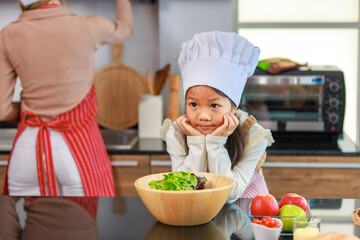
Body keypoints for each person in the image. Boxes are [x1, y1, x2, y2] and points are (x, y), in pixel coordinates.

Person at [0, 0, 134, 196]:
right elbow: (126, 27)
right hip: (75, 152)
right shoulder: (87, 26)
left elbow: (2, 110)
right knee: (78, 224)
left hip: (26, 153)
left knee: (23, 223)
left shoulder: (7, 35)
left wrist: (37, 110)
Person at [160, 31, 274, 203]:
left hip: (243, 214)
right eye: (193, 104)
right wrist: (196, 142)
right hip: (199, 210)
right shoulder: (175, 132)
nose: (203, 116)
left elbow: (229, 195)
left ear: (233, 107)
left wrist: (215, 142)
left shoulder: (254, 136)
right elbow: (184, 189)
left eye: (214, 105)